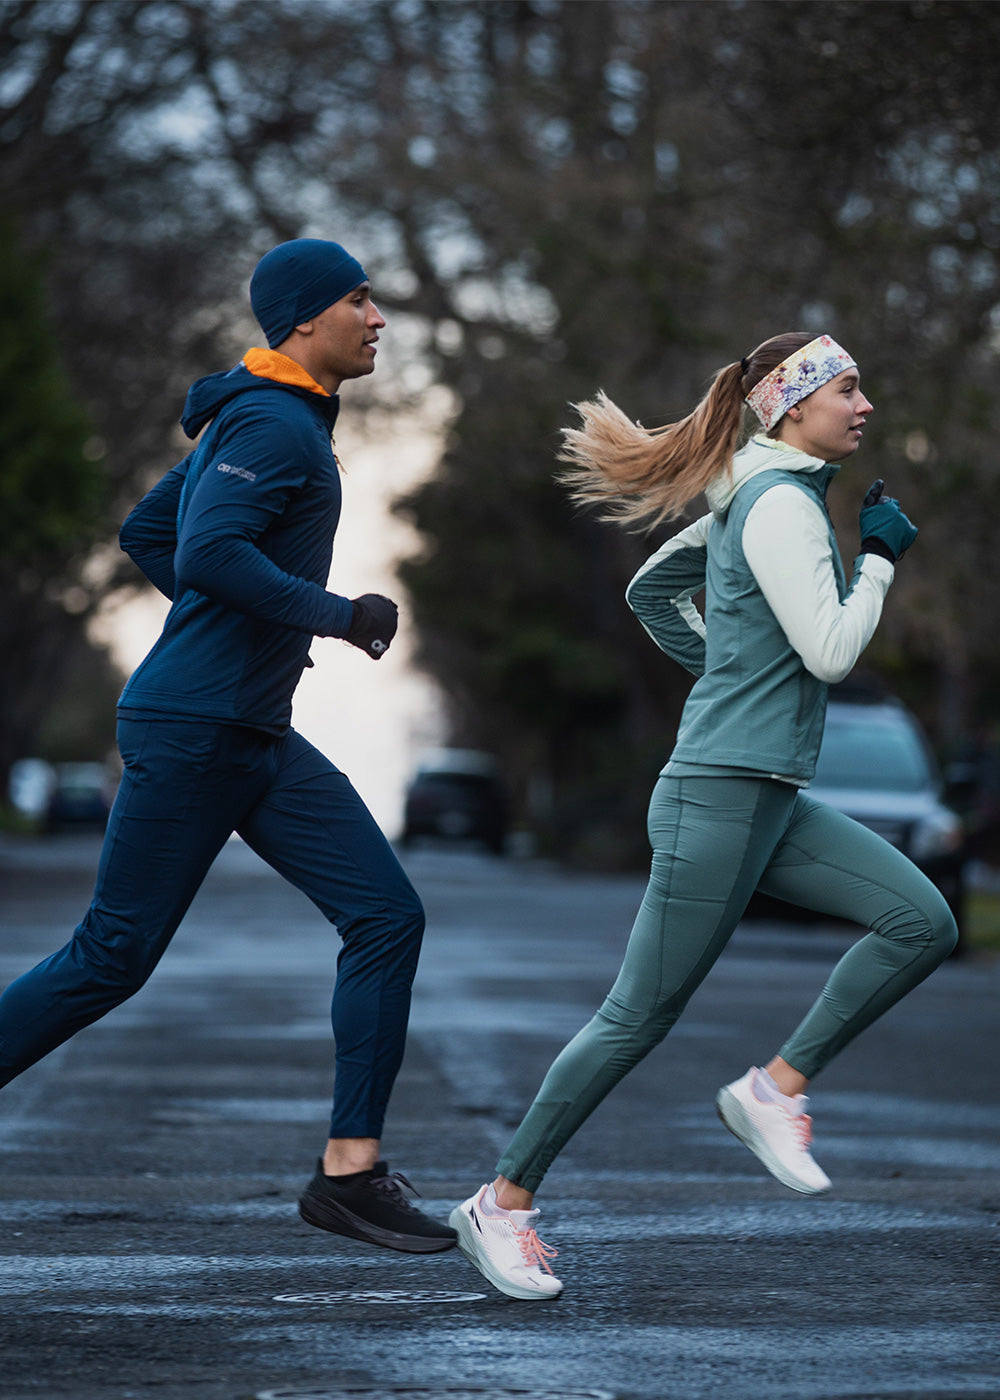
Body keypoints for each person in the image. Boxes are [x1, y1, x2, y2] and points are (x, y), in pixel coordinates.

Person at [449, 332, 958, 1299]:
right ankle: (500, 1204)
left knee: (922, 922)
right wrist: (880, 563)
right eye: (849, 388)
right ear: (791, 403)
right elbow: (833, 653)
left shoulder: (757, 494)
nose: (865, 406)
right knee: (636, 1017)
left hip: (765, 796)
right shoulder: (779, 508)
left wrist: (729, 672)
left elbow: (654, 591)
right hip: (720, 793)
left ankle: (776, 1087)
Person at [0, 238, 457, 1255]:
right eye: (358, 300)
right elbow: (203, 551)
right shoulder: (269, 421)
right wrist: (334, 615)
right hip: (195, 728)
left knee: (385, 914)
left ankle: (350, 1174)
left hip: (250, 728)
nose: (378, 317)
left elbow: (148, 531)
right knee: (110, 957)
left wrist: (242, 634)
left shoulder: (268, 416)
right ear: (304, 318)